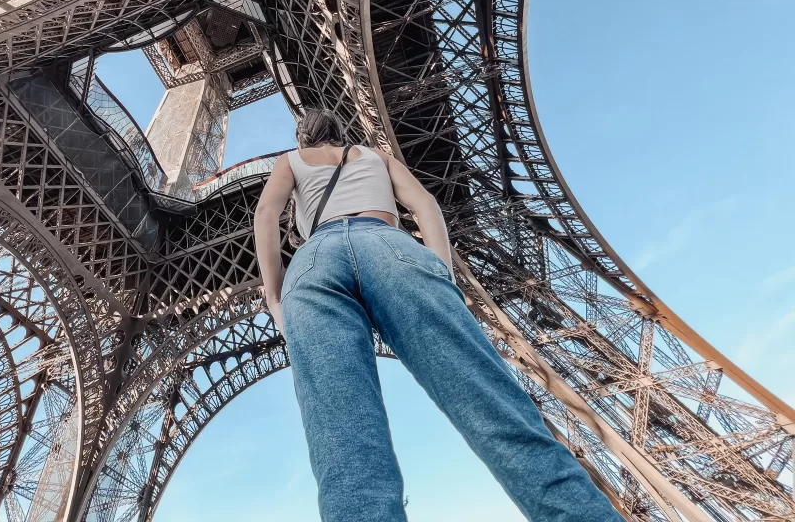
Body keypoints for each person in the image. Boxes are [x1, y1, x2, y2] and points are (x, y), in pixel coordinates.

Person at [254, 109, 624, 522]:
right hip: (389, 244)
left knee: (343, 445)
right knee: (487, 398)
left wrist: (273, 296)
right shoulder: (375, 156)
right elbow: (425, 204)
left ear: (303, 137)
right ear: (340, 133)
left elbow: (267, 213)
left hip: (314, 259)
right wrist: (441, 272)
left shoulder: (291, 160)